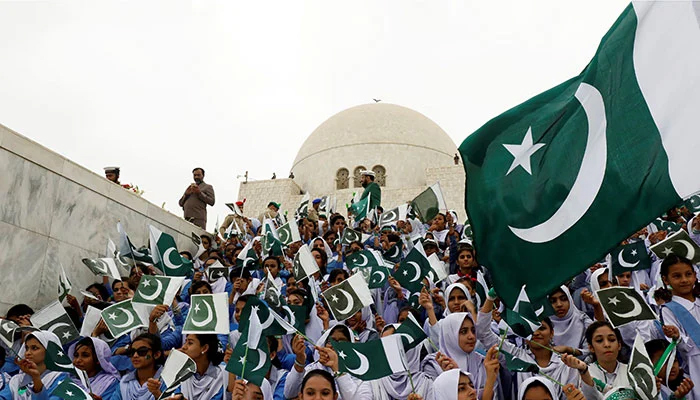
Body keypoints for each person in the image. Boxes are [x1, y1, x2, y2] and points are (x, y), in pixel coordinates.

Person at [657, 254, 700, 400]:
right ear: (665, 279)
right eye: (677, 276)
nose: (684, 280)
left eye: (688, 274)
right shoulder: (669, 309)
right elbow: (682, 347)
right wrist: (677, 337)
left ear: (695, 275)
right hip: (695, 368)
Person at [560, 321, 628, 400]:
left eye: (611, 339)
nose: (607, 344)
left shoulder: (631, 371)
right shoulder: (586, 372)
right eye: (599, 340)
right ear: (591, 347)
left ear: (619, 345)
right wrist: (584, 372)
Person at [9, 331, 68, 400]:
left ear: (49, 351)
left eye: (34, 348)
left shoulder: (61, 379)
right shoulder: (17, 380)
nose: (27, 353)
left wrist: (36, 379)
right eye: (27, 348)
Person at [114, 333, 166, 400]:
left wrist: (158, 395)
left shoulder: (167, 380)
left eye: (142, 351)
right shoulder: (125, 381)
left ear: (156, 354)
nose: (135, 355)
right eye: (132, 352)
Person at [175, 334, 227, 400]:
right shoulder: (180, 372)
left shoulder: (223, 375)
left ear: (204, 348)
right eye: (185, 342)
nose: (183, 347)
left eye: (190, 343)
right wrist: (158, 393)